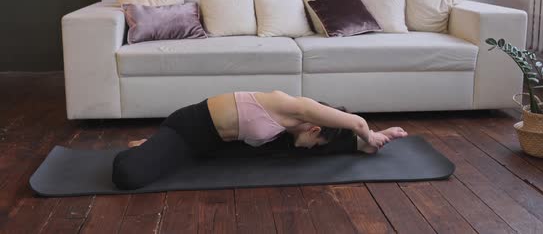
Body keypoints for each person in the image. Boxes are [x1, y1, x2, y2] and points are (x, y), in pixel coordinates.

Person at [112, 90, 408, 190]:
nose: (317, 144)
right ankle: (154, 146)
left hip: (218, 145)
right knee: (128, 175)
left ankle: (362, 146)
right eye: (319, 139)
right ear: (315, 129)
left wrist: (368, 141)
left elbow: (324, 140)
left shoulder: (293, 131)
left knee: (294, 152)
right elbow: (356, 122)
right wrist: (370, 132)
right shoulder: (293, 106)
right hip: (188, 131)